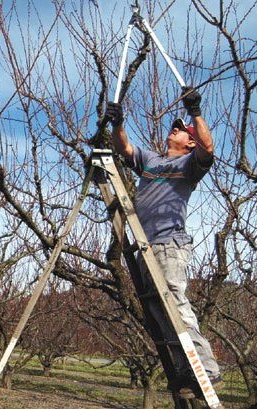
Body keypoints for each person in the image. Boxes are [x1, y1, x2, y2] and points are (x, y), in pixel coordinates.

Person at [105, 87, 222, 397]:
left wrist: (195, 113)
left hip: (169, 243)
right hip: (147, 247)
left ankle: (207, 370)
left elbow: (209, 149)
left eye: (181, 129)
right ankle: (187, 370)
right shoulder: (151, 161)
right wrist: (118, 123)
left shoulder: (189, 166)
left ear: (190, 142)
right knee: (160, 313)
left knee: (175, 304)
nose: (174, 129)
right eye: (176, 126)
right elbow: (124, 147)